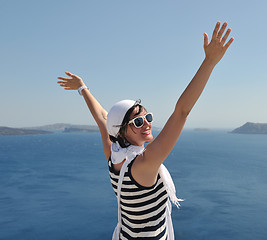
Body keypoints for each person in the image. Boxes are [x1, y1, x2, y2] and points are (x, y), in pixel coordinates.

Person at [57, 21, 234, 240]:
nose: (147, 123)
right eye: (138, 122)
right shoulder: (144, 165)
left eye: (147, 117)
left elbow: (103, 117)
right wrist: (209, 62)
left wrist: (83, 88)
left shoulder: (113, 153)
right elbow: (181, 112)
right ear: (122, 131)